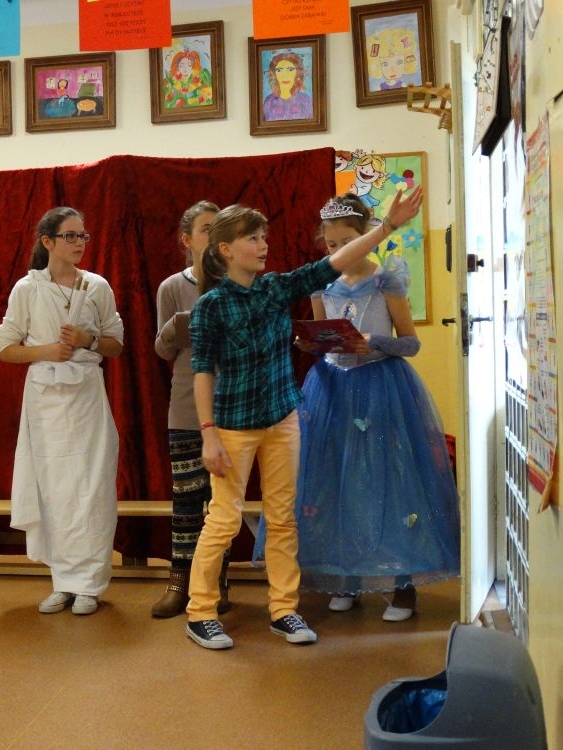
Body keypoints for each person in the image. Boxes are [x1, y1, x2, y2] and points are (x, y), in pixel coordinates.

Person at [183, 186, 424, 650]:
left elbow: (331, 264)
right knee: (224, 521)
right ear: (226, 250)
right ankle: (200, 612)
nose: (263, 245)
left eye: (264, 237)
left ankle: (284, 610)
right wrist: (208, 434)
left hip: (282, 420)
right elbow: (202, 373)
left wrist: (388, 226)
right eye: (253, 238)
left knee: (283, 519)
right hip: (233, 427)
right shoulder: (211, 305)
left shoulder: (276, 288)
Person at [295, 194, 460, 620]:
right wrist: (312, 343)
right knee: (338, 483)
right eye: (331, 244)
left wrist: (375, 342)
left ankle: (403, 585)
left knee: (390, 481)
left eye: (348, 241)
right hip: (332, 390)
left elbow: (411, 343)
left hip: (381, 387)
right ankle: (346, 578)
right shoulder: (322, 284)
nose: (339, 251)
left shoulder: (386, 281)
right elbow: (322, 338)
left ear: (366, 235)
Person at [0, 207, 124, 616]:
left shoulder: (97, 286)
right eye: (70, 236)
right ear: (47, 241)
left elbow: (115, 343)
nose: (79, 242)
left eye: (83, 235)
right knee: (54, 488)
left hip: (86, 394)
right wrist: (47, 351)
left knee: (91, 486)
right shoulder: (27, 288)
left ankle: (89, 584)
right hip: (45, 397)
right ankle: (63, 581)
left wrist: (88, 340)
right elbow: (6, 348)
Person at [152, 200, 233, 618]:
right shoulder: (172, 287)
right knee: (186, 501)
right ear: (187, 240)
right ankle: (179, 582)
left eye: (220, 228)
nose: (214, 236)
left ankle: (216, 581)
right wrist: (176, 326)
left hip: (231, 407)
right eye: (206, 229)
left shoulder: (238, 281)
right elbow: (162, 349)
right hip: (186, 407)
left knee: (223, 503)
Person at [262, 51, 313, 122]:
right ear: (274, 74)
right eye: (279, 70)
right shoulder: (268, 102)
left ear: (297, 73)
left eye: (290, 69)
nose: (285, 75)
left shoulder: (306, 101)